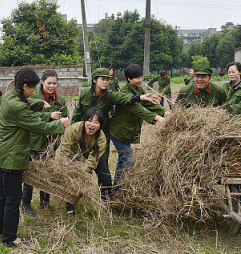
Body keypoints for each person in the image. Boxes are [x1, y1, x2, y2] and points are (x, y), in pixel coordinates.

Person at [0, 67, 69, 246]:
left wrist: (37, 104)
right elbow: (38, 126)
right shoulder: (16, 107)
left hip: (0, 154)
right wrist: (59, 124)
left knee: (3, 194)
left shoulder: (10, 95)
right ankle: (9, 237)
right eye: (32, 88)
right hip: (11, 157)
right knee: (13, 199)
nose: (34, 92)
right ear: (24, 86)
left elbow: (26, 102)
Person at [71, 67, 160, 203]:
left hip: (101, 135)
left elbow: (122, 97)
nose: (106, 82)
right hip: (83, 135)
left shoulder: (109, 95)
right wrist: (73, 132)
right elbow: (77, 114)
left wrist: (140, 97)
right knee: (81, 167)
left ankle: (106, 201)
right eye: (103, 79)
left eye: (108, 79)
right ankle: (75, 199)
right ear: (95, 80)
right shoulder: (84, 93)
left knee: (104, 170)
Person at [109, 64, 166, 194]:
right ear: (129, 78)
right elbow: (139, 110)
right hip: (118, 132)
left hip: (127, 132)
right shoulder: (125, 93)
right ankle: (118, 190)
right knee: (129, 159)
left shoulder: (138, 89)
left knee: (123, 161)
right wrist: (158, 118)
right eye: (137, 78)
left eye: (141, 76)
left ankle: (117, 189)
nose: (140, 80)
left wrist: (164, 112)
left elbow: (147, 103)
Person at [22, 69, 69, 214]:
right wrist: (49, 115)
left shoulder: (60, 100)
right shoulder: (34, 96)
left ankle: (45, 202)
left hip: (52, 143)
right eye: (49, 83)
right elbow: (29, 116)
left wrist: (64, 122)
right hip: (35, 142)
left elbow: (65, 118)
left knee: (47, 174)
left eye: (55, 83)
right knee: (31, 174)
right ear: (42, 82)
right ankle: (26, 204)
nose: (52, 86)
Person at [56, 107, 107, 214]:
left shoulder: (101, 138)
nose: (92, 125)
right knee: (72, 179)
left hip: (94, 155)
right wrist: (62, 167)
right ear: (84, 121)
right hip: (75, 155)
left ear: (100, 125)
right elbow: (63, 150)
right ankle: (70, 205)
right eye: (89, 121)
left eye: (96, 122)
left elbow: (93, 160)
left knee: (105, 177)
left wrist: (82, 171)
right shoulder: (73, 129)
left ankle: (105, 203)